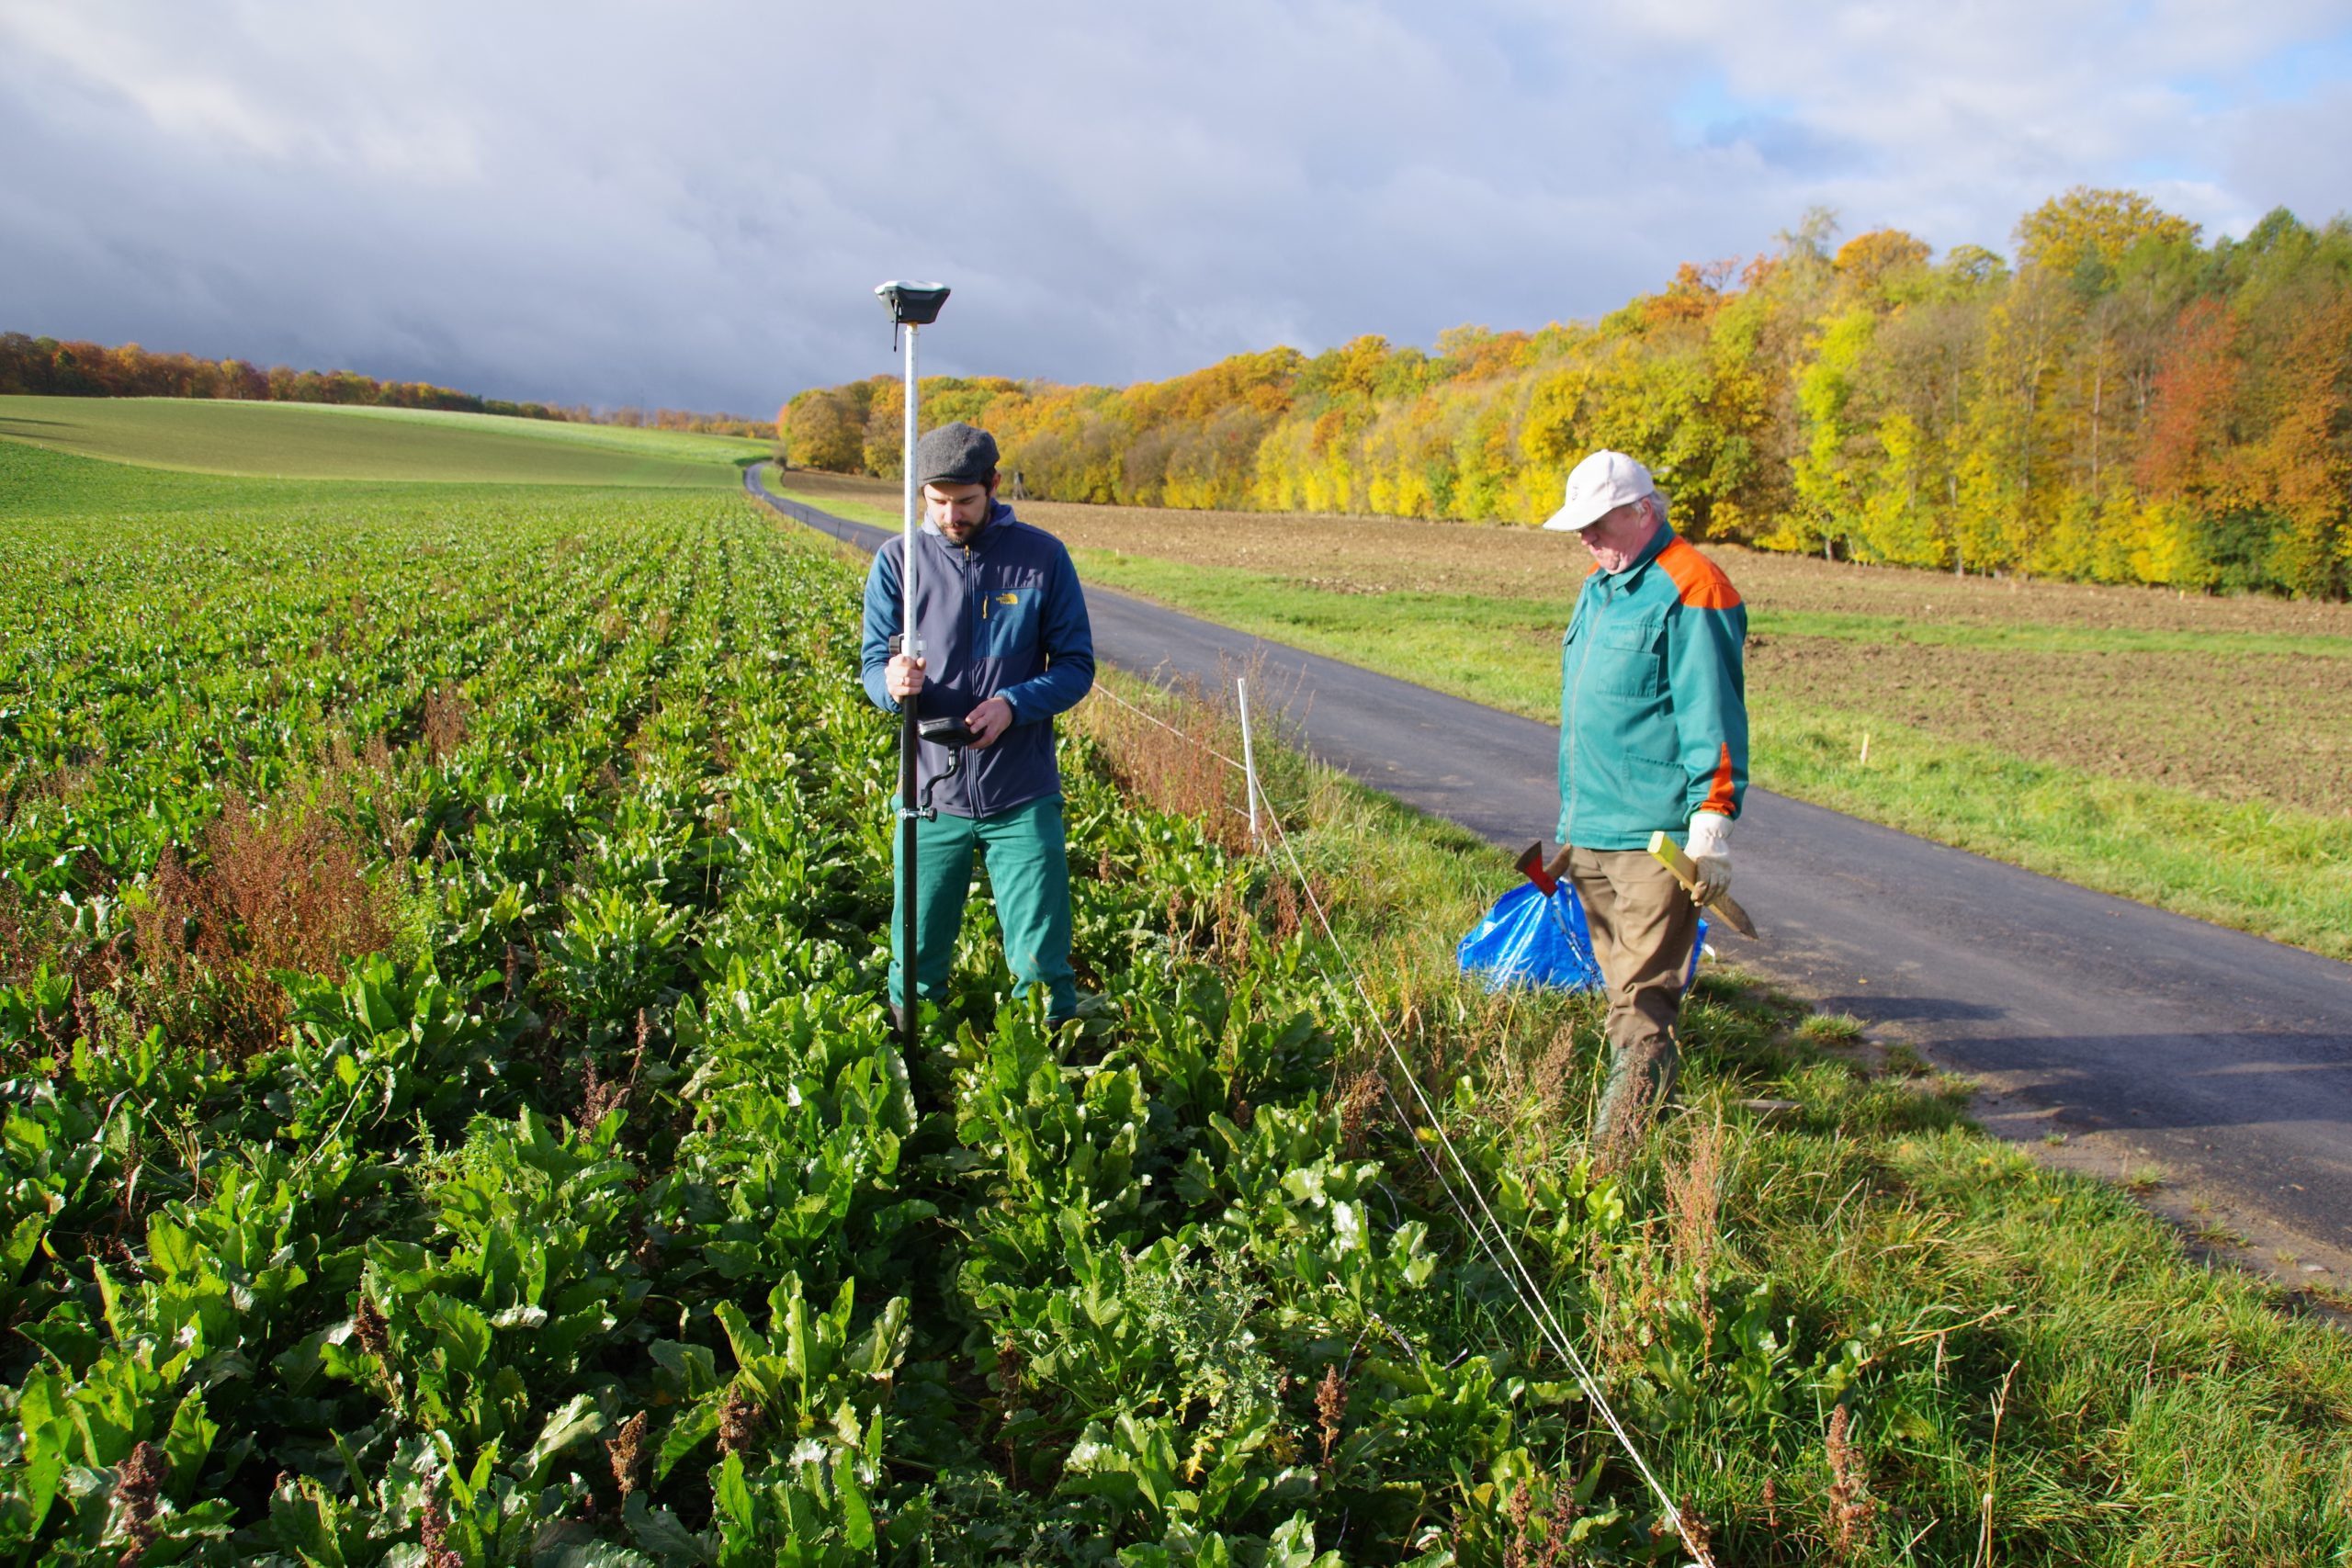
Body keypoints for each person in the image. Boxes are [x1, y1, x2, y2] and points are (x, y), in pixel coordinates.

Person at [1545, 449, 1748, 1156]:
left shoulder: (1692, 587)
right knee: (1620, 999)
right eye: (1580, 527)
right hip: (1593, 832)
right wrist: (1570, 831)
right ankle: (1649, 1111)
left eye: (1599, 523)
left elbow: (1712, 715)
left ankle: (1610, 1163)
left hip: (1654, 843)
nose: (1586, 538)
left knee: (1642, 1005)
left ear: (1644, 510)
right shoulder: (1600, 587)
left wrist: (1712, 826)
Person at [860, 421, 1096, 1029]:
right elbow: (870, 667)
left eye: (964, 501)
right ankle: (917, 1077)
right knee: (912, 962)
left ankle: (1042, 1086)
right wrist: (890, 686)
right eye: (937, 502)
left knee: (1042, 963)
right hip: (928, 796)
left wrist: (1014, 704)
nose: (951, 515)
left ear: (993, 485)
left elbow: (1075, 667)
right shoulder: (896, 563)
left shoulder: (1042, 559)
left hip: (1020, 793)